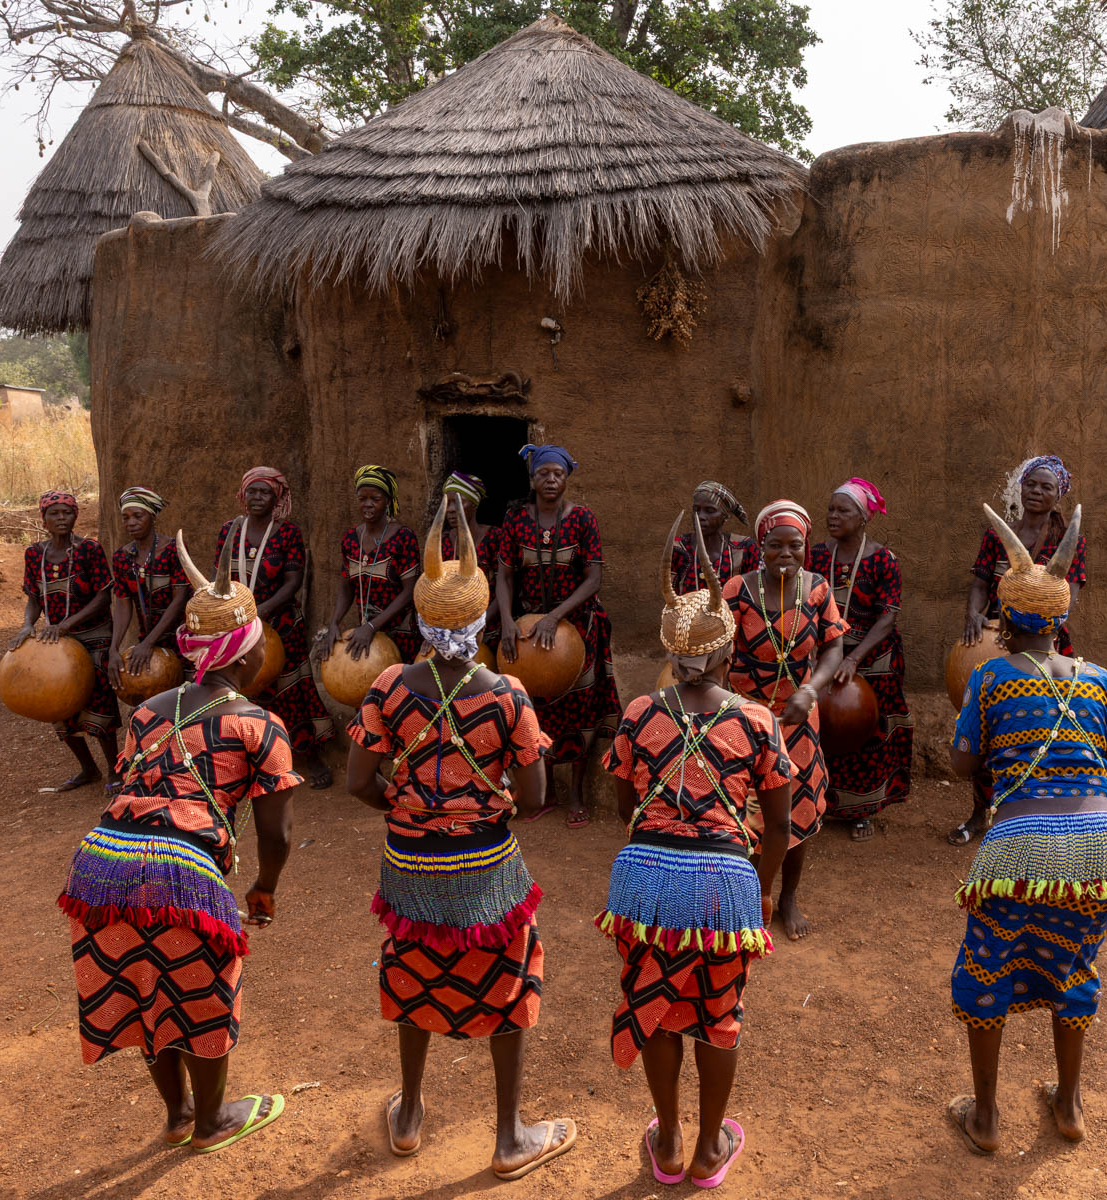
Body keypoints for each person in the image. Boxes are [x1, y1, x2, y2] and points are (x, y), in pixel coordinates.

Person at [349, 497, 578, 1181]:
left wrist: (406, 801)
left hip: (409, 859)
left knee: (411, 966)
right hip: (486, 861)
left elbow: (361, 778)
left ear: (420, 620)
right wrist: (492, 804)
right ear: (479, 621)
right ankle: (509, 1135)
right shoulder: (506, 693)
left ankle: (411, 1113)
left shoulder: (390, 684)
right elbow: (535, 797)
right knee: (507, 978)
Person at [57, 529, 299, 1154]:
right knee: (201, 990)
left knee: (142, 983)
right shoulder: (259, 725)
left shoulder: (146, 712)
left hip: (101, 865)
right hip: (181, 870)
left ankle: (177, 1113)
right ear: (246, 658)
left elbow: (128, 784)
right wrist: (264, 890)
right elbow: (276, 833)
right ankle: (212, 1123)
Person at [600, 512, 791, 1189]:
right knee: (718, 1010)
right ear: (724, 651)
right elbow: (777, 826)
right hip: (723, 880)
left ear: (670, 650)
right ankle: (711, 1147)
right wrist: (759, 886)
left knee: (654, 1001)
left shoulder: (639, 713)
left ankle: (671, 1140)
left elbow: (624, 807)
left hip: (643, 879)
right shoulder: (759, 721)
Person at [945, 504, 1107, 1155]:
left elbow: (962, 761)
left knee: (986, 966)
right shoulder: (1103, 682)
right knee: (1074, 965)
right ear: (1061, 619)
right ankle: (1069, 1104)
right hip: (1102, 842)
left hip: (1021, 842)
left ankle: (986, 1117)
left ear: (1003, 620)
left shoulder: (990, 676)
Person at [722, 500, 847, 940]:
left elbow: (833, 648)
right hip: (743, 719)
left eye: (795, 545)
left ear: (806, 546)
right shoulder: (737, 590)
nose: (786, 554)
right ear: (761, 546)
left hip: (797, 718)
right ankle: (746, 895)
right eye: (776, 545)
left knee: (797, 809)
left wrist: (811, 690)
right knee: (742, 810)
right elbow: (720, 649)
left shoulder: (817, 589)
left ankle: (787, 897)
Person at [952, 455, 1088, 847]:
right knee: (985, 728)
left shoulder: (1066, 542)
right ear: (1021, 488)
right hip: (994, 642)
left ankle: (1032, 817)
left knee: (1039, 728)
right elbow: (980, 582)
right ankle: (981, 813)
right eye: (1031, 484)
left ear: (1058, 494)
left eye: (1046, 487)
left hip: (1046, 646)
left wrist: (1040, 631)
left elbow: (1068, 597)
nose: (1037, 492)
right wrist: (974, 613)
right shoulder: (999, 534)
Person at [495, 443, 621, 827]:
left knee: (580, 706)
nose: (551, 480)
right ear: (532, 479)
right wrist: (505, 622)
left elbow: (594, 579)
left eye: (558, 474)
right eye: (543, 473)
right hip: (527, 629)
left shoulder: (583, 519)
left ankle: (577, 792)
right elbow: (504, 576)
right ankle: (543, 790)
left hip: (579, 627)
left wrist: (555, 618)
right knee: (533, 707)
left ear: (567, 479)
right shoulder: (516, 521)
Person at [807, 478, 913, 840]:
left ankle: (862, 810)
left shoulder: (883, 559)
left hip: (874, 658)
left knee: (866, 732)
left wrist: (853, 659)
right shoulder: (818, 555)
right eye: (831, 509)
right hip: (826, 656)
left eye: (843, 510)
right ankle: (822, 804)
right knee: (824, 729)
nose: (833, 516)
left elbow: (888, 617)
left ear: (863, 518)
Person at [216, 467, 334, 789]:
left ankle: (310, 755)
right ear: (243, 494)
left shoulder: (287, 533)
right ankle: (258, 759)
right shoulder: (229, 531)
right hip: (241, 627)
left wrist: (262, 610)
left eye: (264, 492)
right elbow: (221, 579)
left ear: (277, 497)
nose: (257, 498)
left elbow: (293, 582)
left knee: (291, 690)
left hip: (280, 626)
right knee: (249, 692)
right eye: (252, 491)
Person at [14, 489, 121, 792]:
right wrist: (26, 625)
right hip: (56, 640)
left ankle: (115, 771)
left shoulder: (89, 549)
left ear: (75, 515)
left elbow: (102, 598)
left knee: (99, 700)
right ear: (43, 519)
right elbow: (34, 598)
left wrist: (65, 625)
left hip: (94, 636)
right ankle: (88, 769)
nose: (62, 519)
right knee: (56, 701)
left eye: (67, 513)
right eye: (54, 514)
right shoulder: (35, 554)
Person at [320, 464, 421, 664]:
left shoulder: (403, 537)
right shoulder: (350, 539)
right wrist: (333, 623)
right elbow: (346, 588)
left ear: (388, 502)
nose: (368, 504)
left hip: (401, 634)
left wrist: (372, 626)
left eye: (375, 499)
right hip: (365, 635)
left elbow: (410, 591)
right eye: (362, 499)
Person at [108, 487, 190, 698]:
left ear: (152, 516)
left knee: (186, 699)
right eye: (125, 518)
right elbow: (123, 604)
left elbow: (179, 600)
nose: (131, 522)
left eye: (138, 516)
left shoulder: (173, 549)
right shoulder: (122, 557)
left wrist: (148, 643)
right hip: (148, 640)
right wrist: (114, 649)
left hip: (183, 639)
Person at [438, 472, 502, 649]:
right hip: (452, 634)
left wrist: (475, 626)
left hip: (490, 630)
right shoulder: (443, 542)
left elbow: (505, 588)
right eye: (447, 503)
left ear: (474, 504)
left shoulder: (494, 538)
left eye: (457, 502)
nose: (450, 509)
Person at [670, 481, 756, 592]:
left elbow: (755, 595)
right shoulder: (679, 547)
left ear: (725, 516)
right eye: (696, 510)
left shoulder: (744, 548)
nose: (700, 516)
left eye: (710, 511)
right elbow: (671, 597)